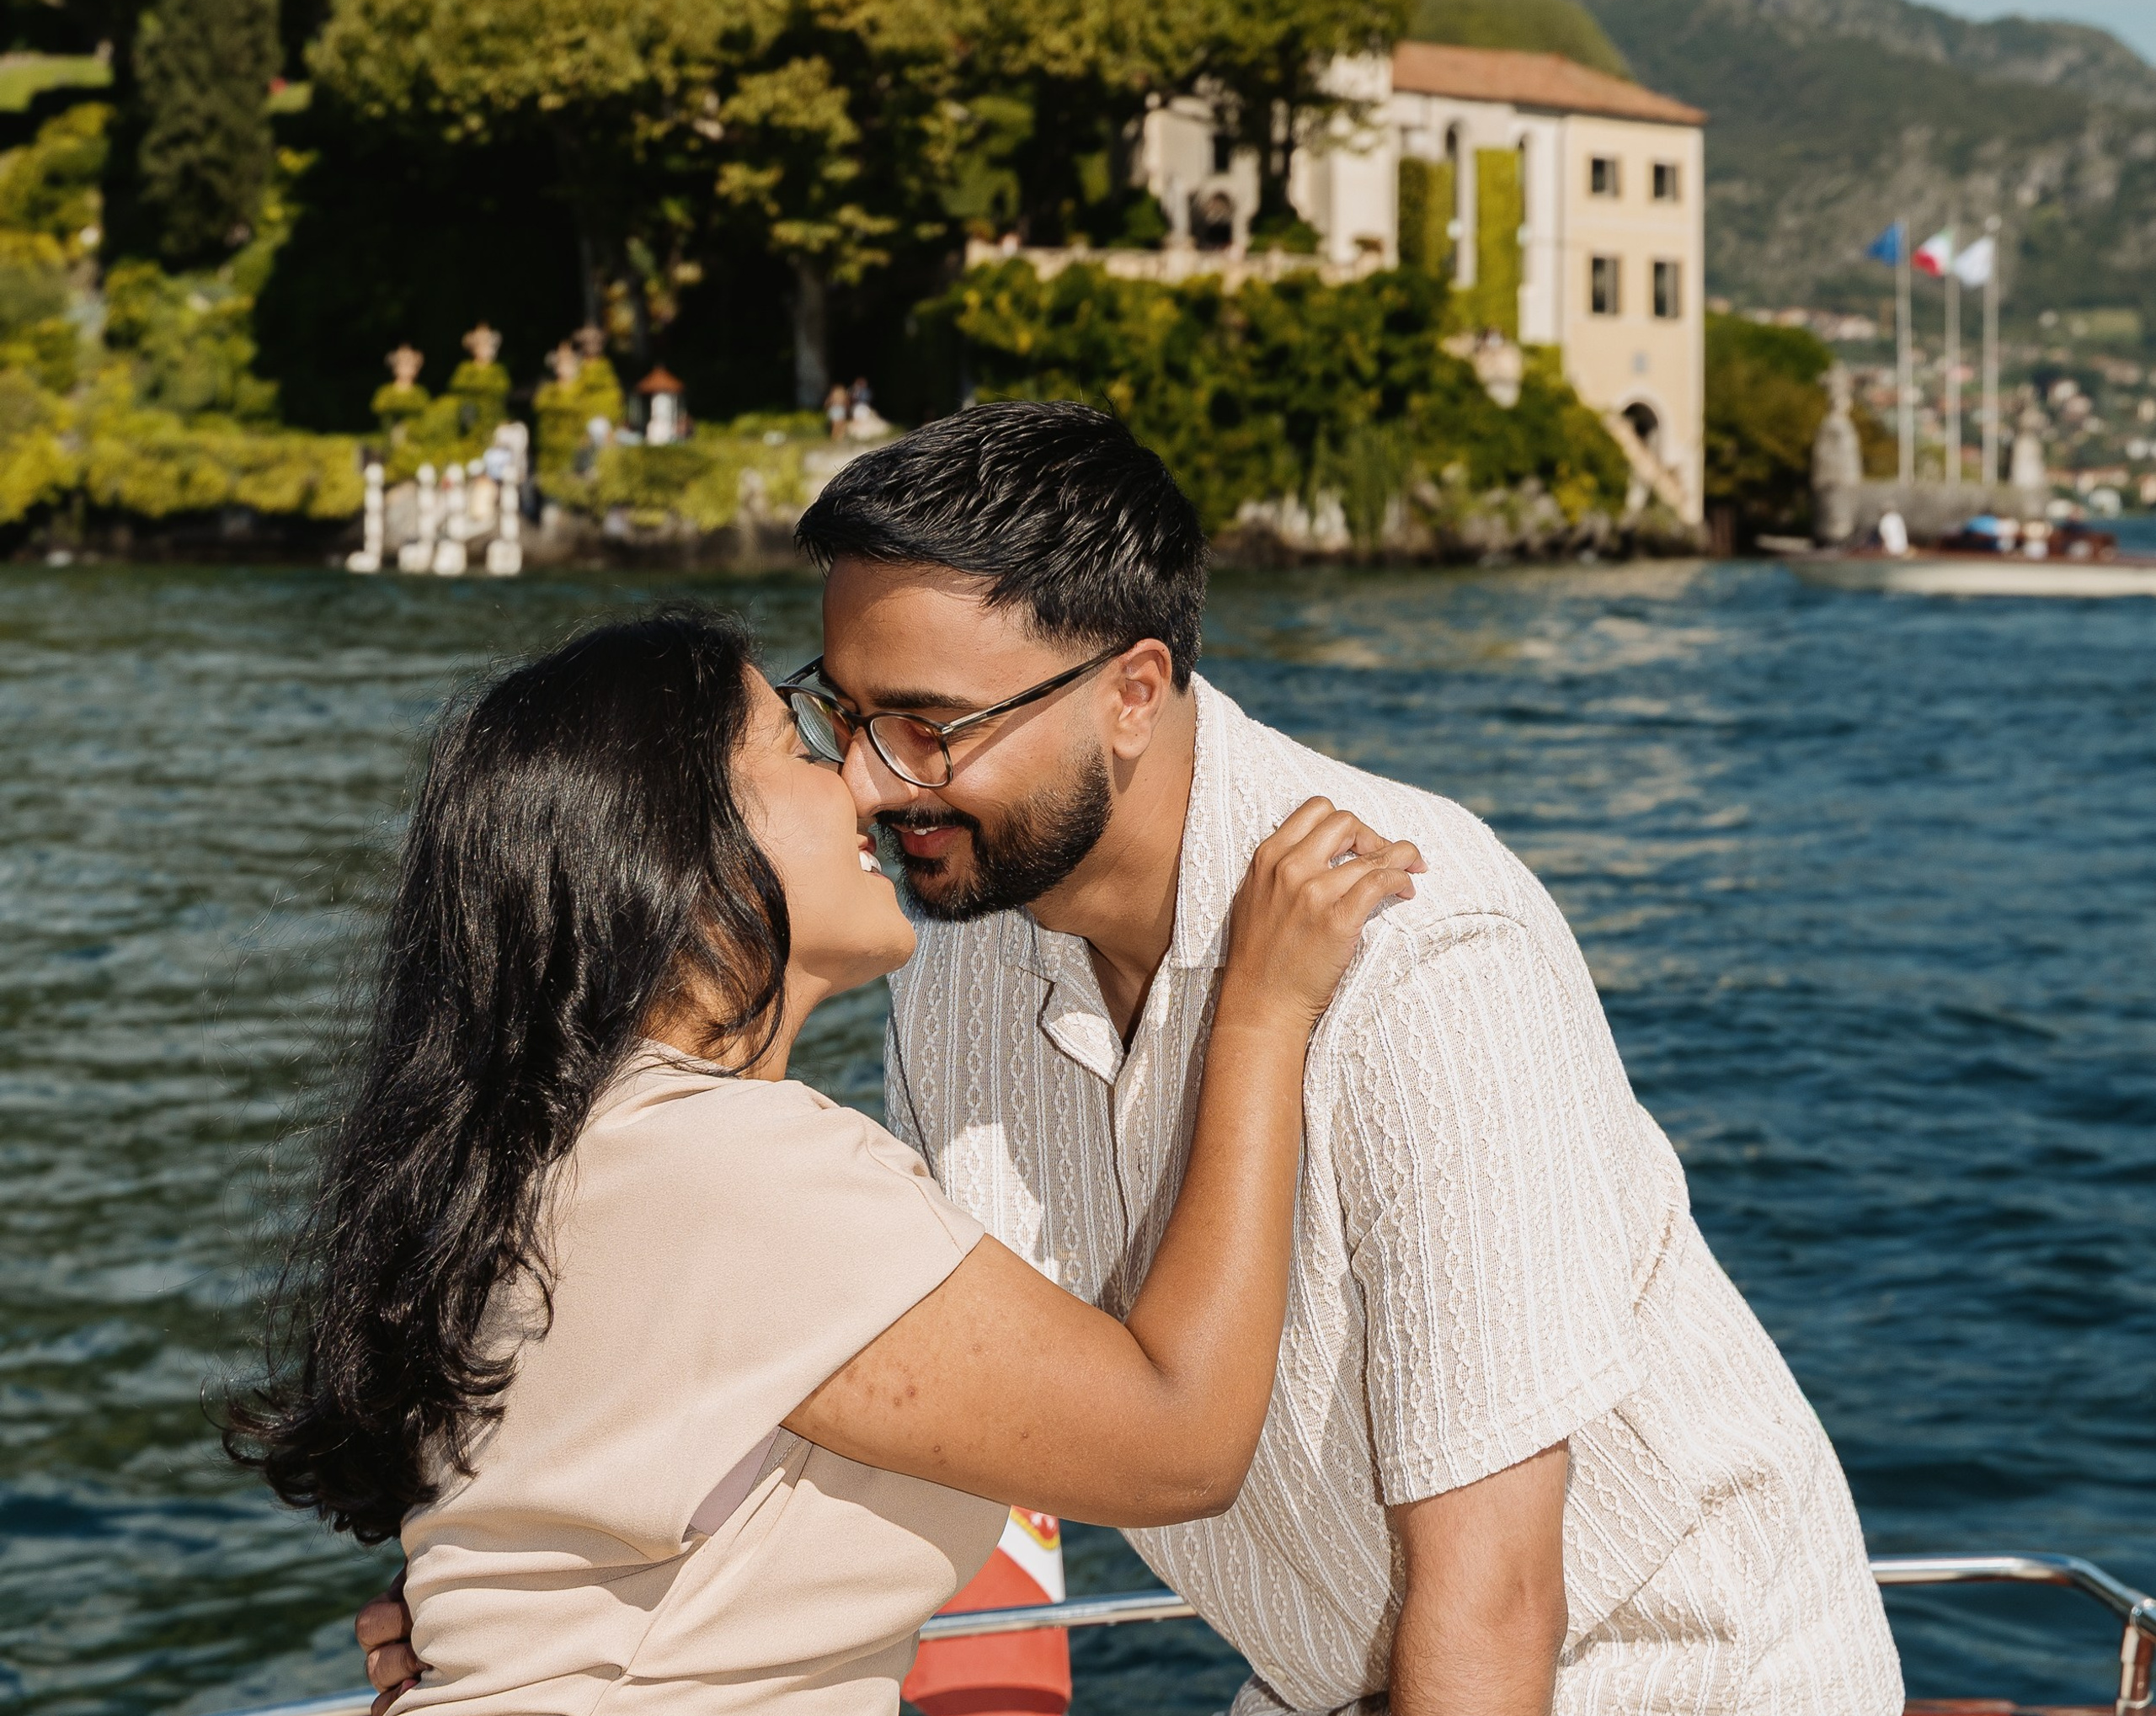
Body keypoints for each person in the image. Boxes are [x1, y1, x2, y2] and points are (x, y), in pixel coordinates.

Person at [362, 404, 1907, 1716]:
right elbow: (995, 1381)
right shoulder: (954, 959)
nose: (881, 784)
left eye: (933, 723)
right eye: (846, 719)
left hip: (1645, 1676)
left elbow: (1494, 1589)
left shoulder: (1424, 943)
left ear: (1135, 692)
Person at [236, 606, 1418, 1713]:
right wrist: (1260, 1012)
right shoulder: (737, 1169)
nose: (862, 780)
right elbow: (1179, 1444)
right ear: (677, 840)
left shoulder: (574, 1146)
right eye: (798, 746)